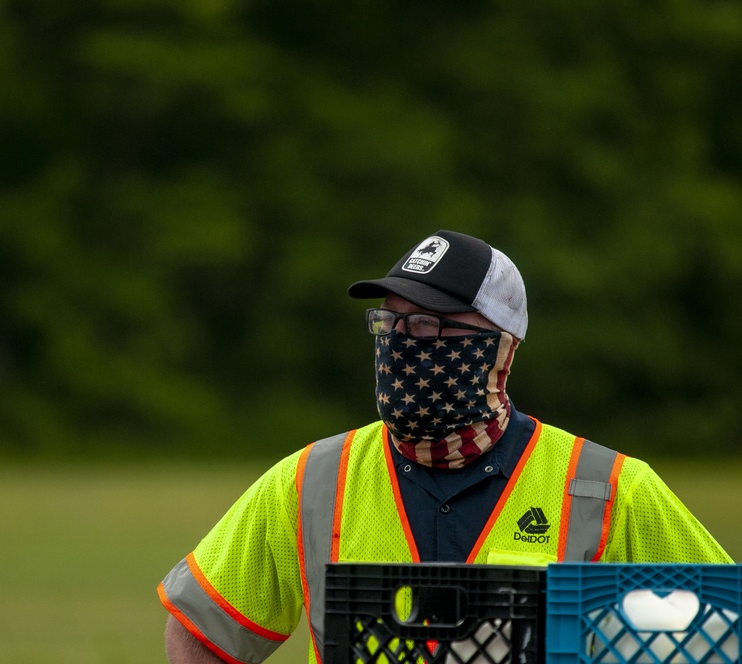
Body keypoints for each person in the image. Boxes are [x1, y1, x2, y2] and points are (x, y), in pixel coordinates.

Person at [157, 229, 733, 664]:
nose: (403, 346)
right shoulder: (311, 481)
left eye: (431, 328)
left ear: (500, 348)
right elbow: (201, 624)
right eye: (392, 325)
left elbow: (723, 632)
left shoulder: (610, 489)